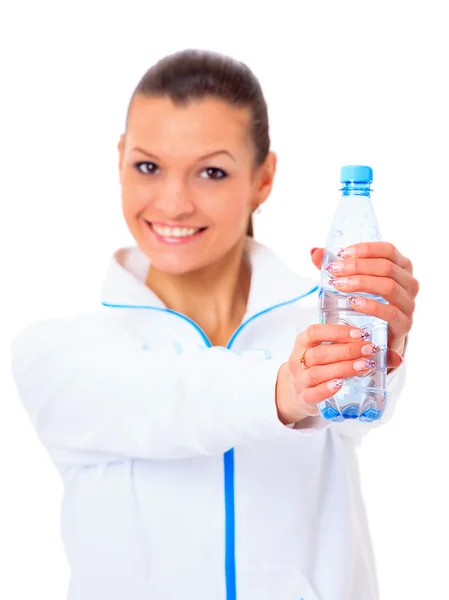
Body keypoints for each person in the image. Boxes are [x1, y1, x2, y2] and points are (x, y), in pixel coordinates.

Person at [10, 49, 419, 600]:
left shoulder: (314, 327)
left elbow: (369, 410)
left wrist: (380, 340)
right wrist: (286, 387)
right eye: (148, 166)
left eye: (211, 172)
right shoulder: (61, 354)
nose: (174, 204)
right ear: (120, 160)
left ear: (263, 179)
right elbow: (172, 397)